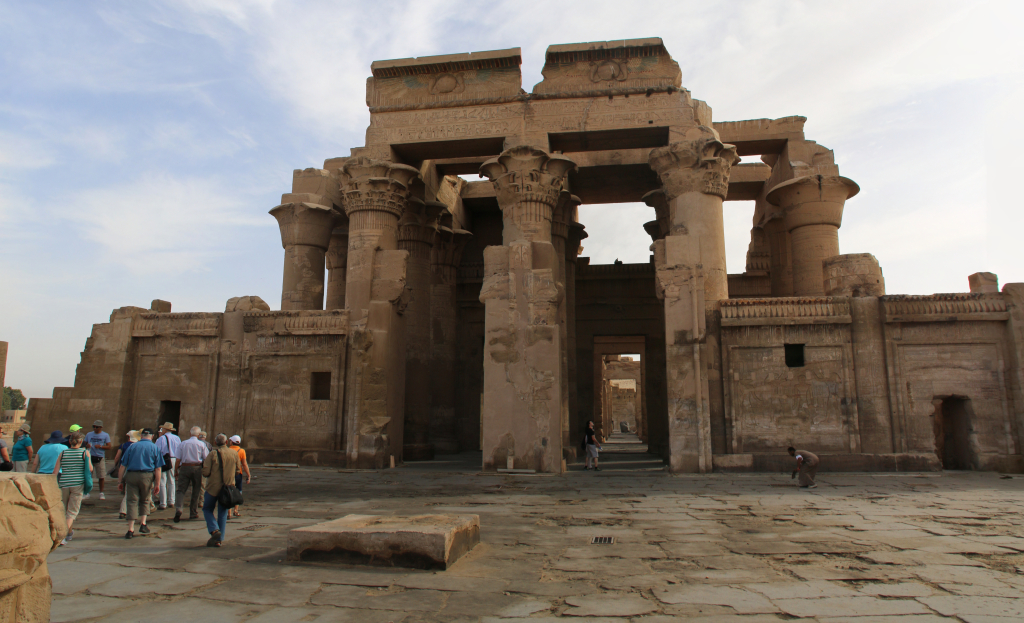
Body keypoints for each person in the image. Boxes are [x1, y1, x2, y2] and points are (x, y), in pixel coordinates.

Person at [117, 428, 164, 539]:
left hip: (131, 475)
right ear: (152, 436)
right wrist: (157, 484)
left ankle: (130, 529)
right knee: (145, 499)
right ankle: (143, 523)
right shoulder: (155, 448)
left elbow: (123, 465)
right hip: (147, 475)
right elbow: (158, 468)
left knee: (132, 501)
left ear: (141, 436)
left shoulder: (132, 447)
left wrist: (120, 481)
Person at [54, 431, 92, 546]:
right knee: (72, 512)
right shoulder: (84, 452)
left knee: (64, 510)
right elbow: (90, 468)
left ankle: (69, 533)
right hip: (77, 484)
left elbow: (55, 471)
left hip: (64, 483)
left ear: (70, 441)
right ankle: (62, 536)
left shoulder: (63, 453)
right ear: (81, 441)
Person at [201, 434, 239, 547]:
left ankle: (214, 530)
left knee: (207, 509)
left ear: (215, 443)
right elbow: (238, 470)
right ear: (226, 442)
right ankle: (219, 540)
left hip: (213, 487)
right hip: (228, 488)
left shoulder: (212, 454)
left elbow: (205, 472)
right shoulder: (234, 453)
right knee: (222, 513)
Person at [174, 426, 209, 523]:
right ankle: (193, 512)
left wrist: (176, 470)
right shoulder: (201, 444)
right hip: (197, 467)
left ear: (190, 434)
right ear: (199, 435)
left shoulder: (183, 443)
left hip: (184, 467)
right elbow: (206, 458)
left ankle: (179, 509)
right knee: (196, 490)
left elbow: (178, 459)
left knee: (181, 490)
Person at [112, 430, 139, 519]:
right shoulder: (138, 446)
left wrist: (115, 465)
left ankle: (123, 510)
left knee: (127, 491)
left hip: (124, 468)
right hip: (135, 469)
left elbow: (117, 457)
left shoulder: (123, 445)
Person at [154, 422, 181, 510]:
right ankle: (171, 501)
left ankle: (163, 503)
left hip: (164, 459)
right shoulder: (177, 438)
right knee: (172, 480)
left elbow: (157, 450)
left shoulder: (161, 438)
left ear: (165, 430)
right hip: (174, 459)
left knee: (162, 480)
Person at [83, 419, 111, 500]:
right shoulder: (89, 434)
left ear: (101, 427)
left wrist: (101, 446)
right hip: (90, 457)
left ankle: (101, 492)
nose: (94, 428)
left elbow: (109, 446)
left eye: (96, 427)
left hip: (100, 457)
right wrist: (87, 445)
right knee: (88, 475)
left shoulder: (105, 435)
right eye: (93, 427)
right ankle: (87, 492)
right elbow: (84, 443)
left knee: (101, 476)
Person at [227, 435, 250, 518]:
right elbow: (244, 464)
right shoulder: (241, 451)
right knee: (238, 491)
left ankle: (229, 512)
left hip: (228, 473)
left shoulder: (227, 450)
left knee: (228, 492)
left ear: (231, 442)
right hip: (238, 474)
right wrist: (248, 475)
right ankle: (236, 510)